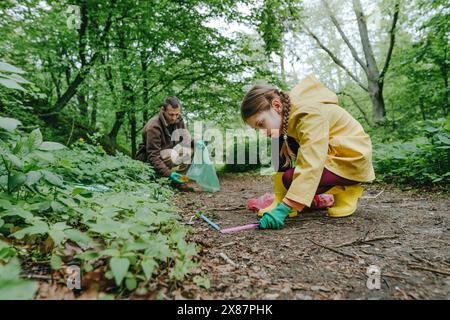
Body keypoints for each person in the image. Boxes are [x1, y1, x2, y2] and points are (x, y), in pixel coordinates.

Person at [241, 74, 376, 230]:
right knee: (282, 149)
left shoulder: (308, 115)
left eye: (261, 124)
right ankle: (302, 197)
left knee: (290, 179)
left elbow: (311, 163)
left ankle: (347, 190)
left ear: (277, 106)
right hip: (335, 154)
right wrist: (282, 199)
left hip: (351, 158)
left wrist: (284, 209)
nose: (262, 131)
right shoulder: (288, 118)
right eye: (257, 129)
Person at [135, 96, 194, 188]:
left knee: (190, 150)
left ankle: (180, 182)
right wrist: (169, 174)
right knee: (172, 153)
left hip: (166, 155)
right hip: (149, 160)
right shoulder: (153, 126)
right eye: (171, 114)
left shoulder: (179, 121)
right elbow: (153, 156)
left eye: (177, 114)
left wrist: (198, 143)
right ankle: (158, 179)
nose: (174, 118)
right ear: (163, 110)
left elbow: (186, 140)